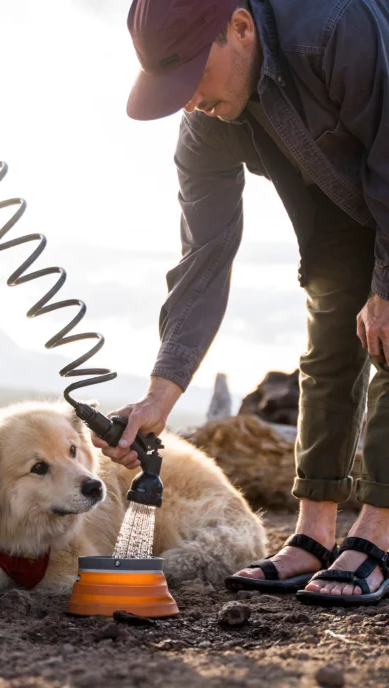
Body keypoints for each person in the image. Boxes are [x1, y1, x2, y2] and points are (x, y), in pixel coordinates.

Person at [92, 0, 389, 605]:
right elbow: (203, 259)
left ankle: (380, 531)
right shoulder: (205, 122)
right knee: (329, 343)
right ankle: (314, 532)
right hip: (341, 203)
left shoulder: (336, 29)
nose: (186, 101)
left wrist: (386, 287)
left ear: (241, 27)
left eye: (191, 77)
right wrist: (160, 393)